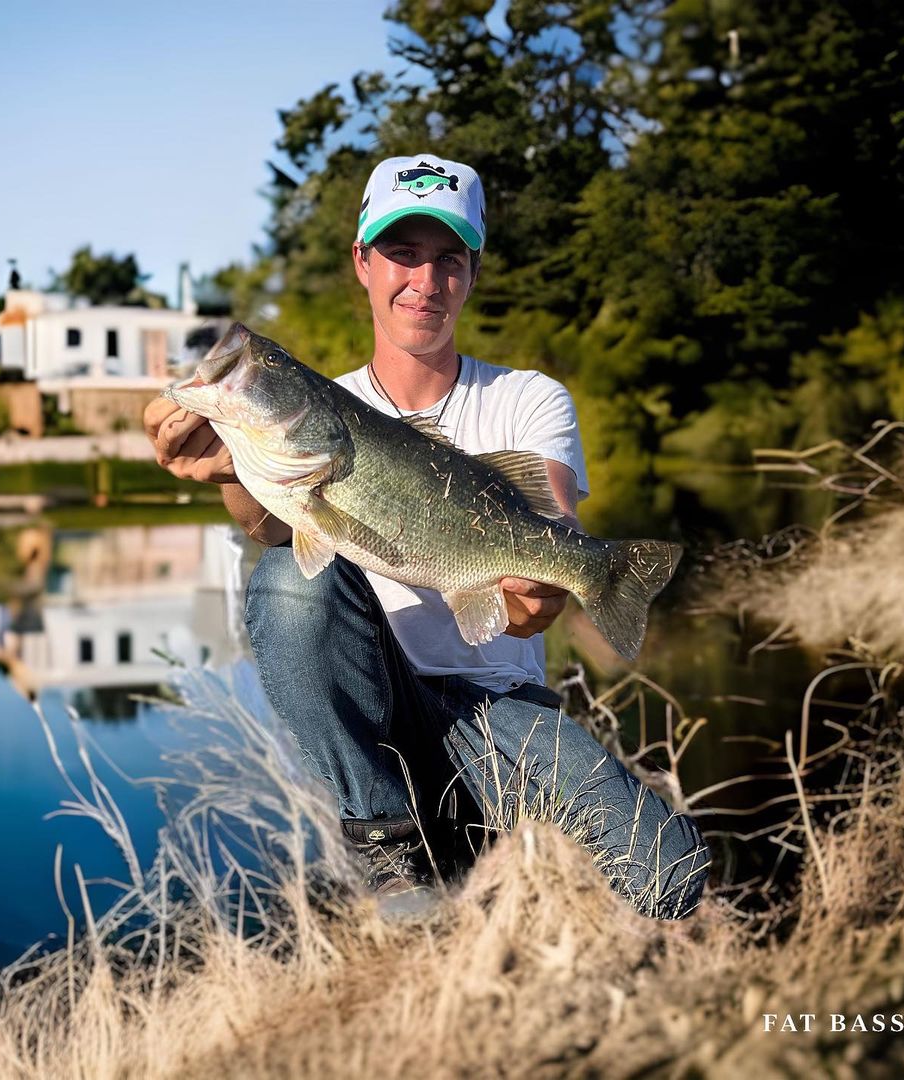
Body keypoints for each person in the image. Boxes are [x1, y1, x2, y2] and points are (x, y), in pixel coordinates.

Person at [144, 154, 710, 919]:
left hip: (495, 704)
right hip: (377, 704)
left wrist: (544, 590)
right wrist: (227, 475)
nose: (425, 280)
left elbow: (549, 542)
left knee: (670, 876)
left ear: (473, 272)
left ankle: (487, 852)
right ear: (363, 263)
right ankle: (388, 842)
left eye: (448, 259)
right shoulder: (326, 407)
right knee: (285, 578)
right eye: (403, 255)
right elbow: (281, 528)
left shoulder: (529, 398)